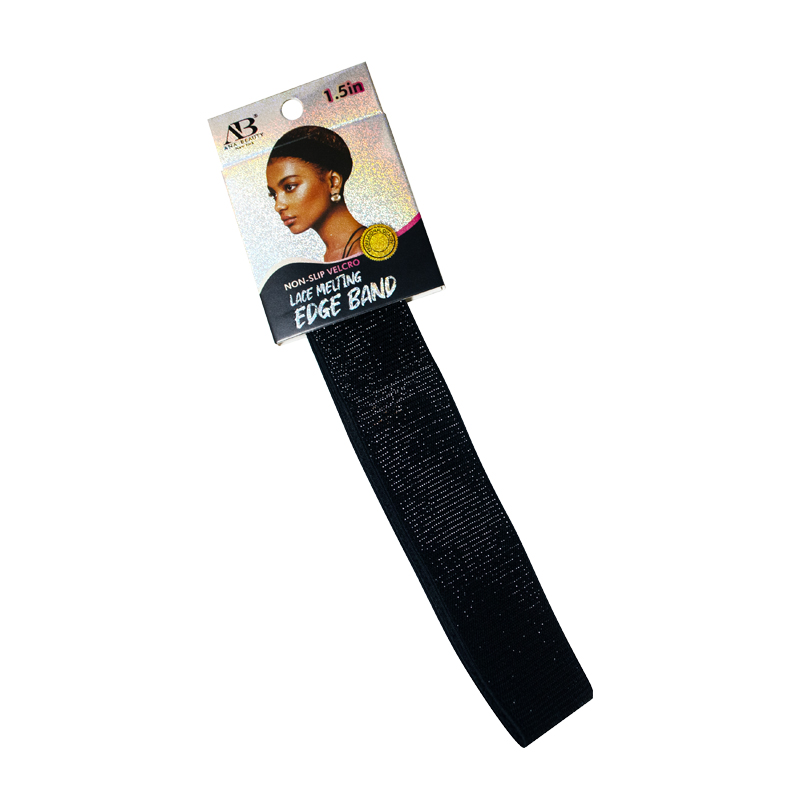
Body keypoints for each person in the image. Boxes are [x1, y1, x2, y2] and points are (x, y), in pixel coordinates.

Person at [266, 126, 366, 262]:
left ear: (333, 182)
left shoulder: (368, 250)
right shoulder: (332, 255)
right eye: (274, 195)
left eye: (289, 187)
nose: (278, 206)